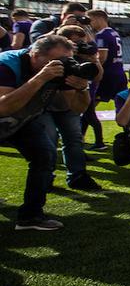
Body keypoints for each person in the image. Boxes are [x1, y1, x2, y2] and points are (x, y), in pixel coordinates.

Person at [0, 34, 90, 230]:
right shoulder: (6, 64)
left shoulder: (59, 72)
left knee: (45, 154)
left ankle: (31, 216)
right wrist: (41, 78)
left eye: (66, 60)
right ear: (34, 54)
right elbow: (3, 107)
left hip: (20, 121)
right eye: (54, 61)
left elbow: (75, 108)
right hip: (8, 113)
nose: (61, 66)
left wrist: (82, 89)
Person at [45, 25, 103, 190]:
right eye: (76, 43)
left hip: (72, 102)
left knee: (74, 140)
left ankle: (78, 176)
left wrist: (93, 58)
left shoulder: (83, 57)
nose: (80, 46)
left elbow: (99, 76)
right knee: (48, 141)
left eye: (82, 42)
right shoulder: (50, 52)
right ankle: (45, 177)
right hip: (48, 103)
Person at [82, 9, 127, 150]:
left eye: (91, 20)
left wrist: (92, 73)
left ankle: (84, 138)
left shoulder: (102, 35)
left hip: (107, 76)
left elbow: (102, 58)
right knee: (124, 106)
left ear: (99, 18)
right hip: (119, 73)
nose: (90, 24)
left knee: (88, 106)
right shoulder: (114, 33)